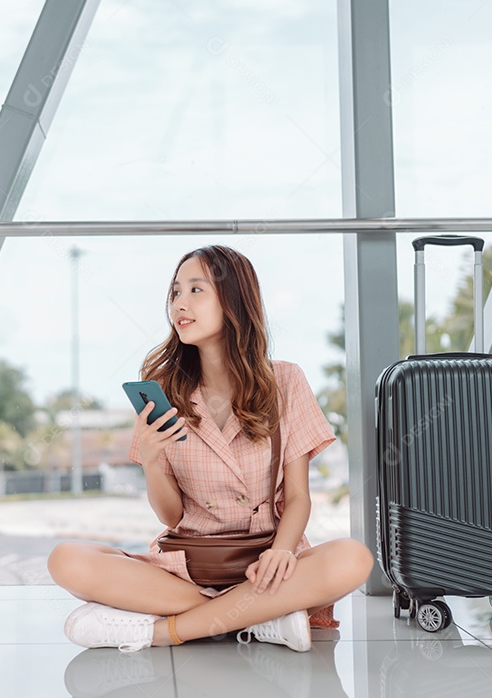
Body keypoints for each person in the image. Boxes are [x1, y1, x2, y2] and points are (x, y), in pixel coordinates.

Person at [48, 245, 373, 652]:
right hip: (187, 566)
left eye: (195, 290)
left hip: (265, 561)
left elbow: (297, 497)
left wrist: (283, 551)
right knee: (66, 559)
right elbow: (171, 515)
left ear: (233, 300)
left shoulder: (286, 381)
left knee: (353, 558)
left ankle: (165, 631)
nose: (179, 304)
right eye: (174, 292)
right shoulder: (163, 389)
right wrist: (151, 461)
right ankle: (260, 618)